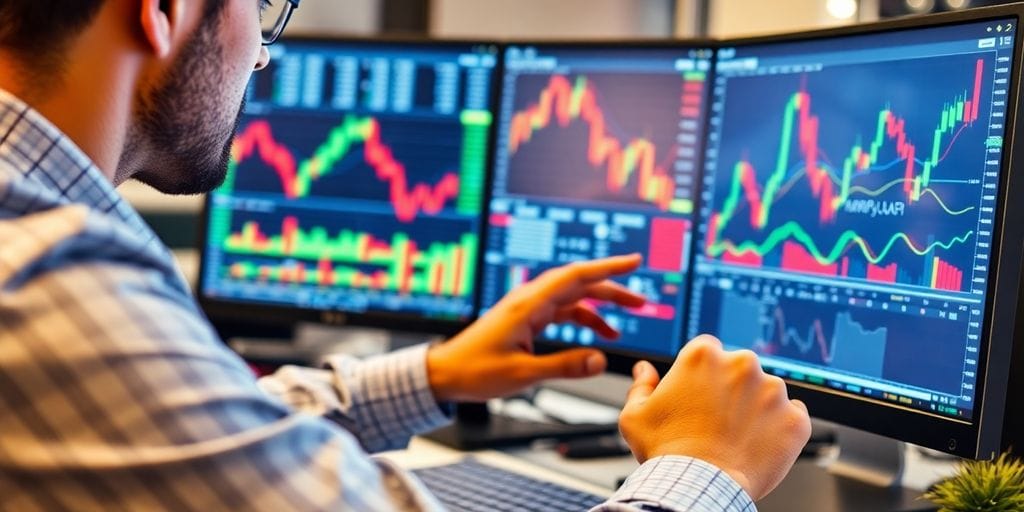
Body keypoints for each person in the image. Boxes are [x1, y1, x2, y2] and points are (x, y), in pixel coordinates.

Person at [0, 1, 812, 510]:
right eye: (261, 8)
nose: (260, 55)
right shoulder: (56, 280)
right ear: (163, 10)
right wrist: (706, 468)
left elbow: (175, 435)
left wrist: (436, 374)